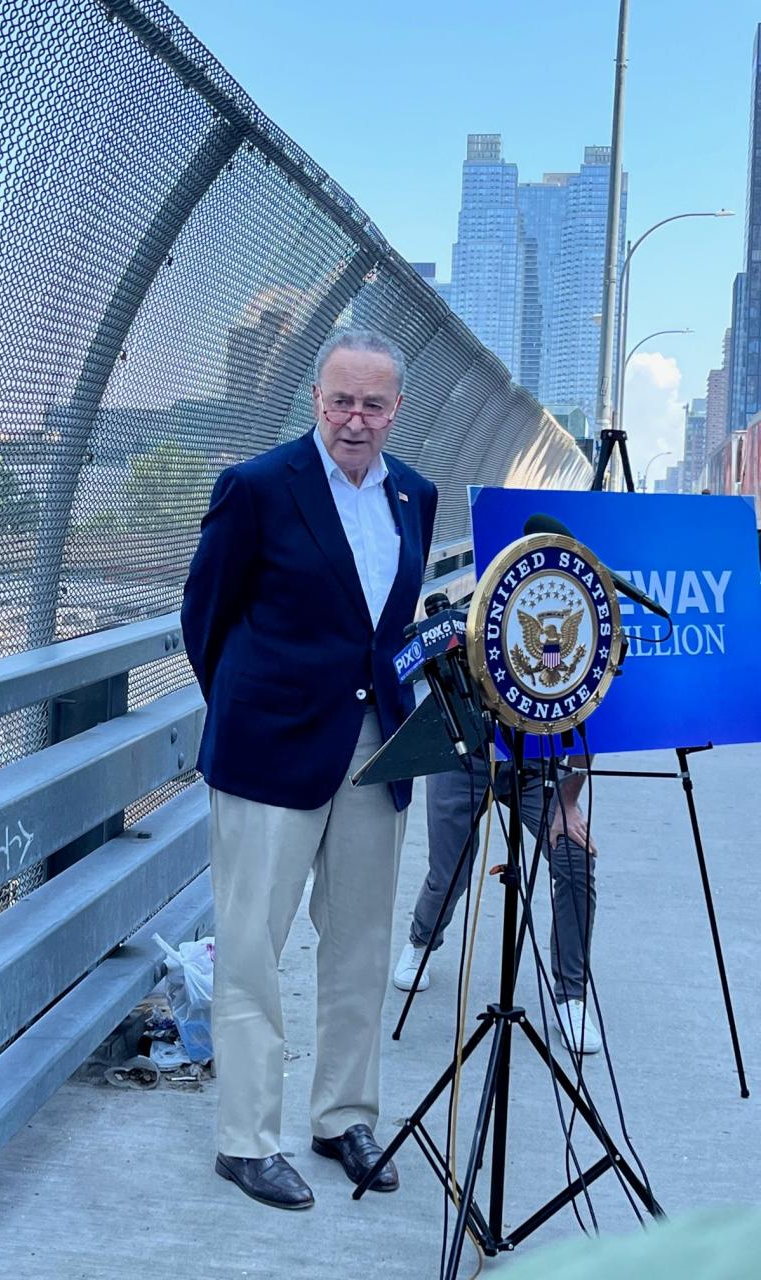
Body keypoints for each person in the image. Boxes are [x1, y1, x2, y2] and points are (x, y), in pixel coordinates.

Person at [181, 328, 438, 1210]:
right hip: (269, 755)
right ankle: (245, 1141)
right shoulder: (255, 488)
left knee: (362, 945)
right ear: (315, 401)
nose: (355, 420)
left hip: (377, 751)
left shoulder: (415, 494)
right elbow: (205, 619)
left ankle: (342, 1119)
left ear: (397, 409)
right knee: (252, 947)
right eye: (341, 401)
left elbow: (389, 630)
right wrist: (255, 714)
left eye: (373, 404)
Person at [393, 753, 602, 1054]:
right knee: (451, 871)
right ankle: (420, 941)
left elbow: (587, 718)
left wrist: (568, 802)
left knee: (575, 860)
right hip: (465, 753)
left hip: (537, 762)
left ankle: (572, 995)